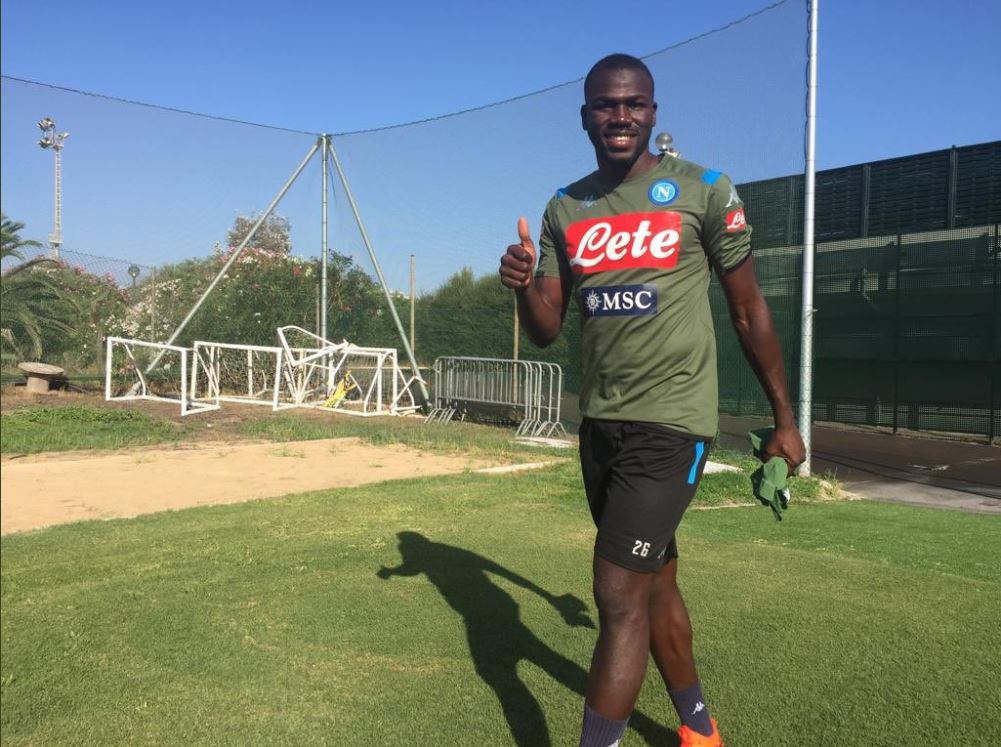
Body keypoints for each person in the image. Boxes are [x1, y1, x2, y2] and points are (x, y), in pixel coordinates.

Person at [498, 53, 806, 747]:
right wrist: (521, 284)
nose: (620, 116)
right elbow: (545, 329)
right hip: (600, 425)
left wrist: (784, 420)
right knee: (654, 580)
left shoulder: (704, 191)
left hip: (673, 422)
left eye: (633, 103)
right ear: (585, 116)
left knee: (615, 593)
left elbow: (748, 309)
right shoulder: (565, 207)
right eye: (606, 105)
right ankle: (699, 730)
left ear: (652, 112)